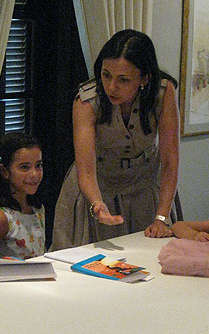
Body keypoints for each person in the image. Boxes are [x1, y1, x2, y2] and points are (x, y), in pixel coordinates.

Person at [50, 29, 180, 250]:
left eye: (123, 80)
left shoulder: (163, 93)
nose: (111, 86)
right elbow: (86, 172)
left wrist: (161, 217)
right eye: (106, 75)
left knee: (149, 260)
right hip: (97, 189)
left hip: (145, 190)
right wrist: (97, 204)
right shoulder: (87, 101)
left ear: (144, 78)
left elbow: (170, 163)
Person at [0, 132, 45, 261]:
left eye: (38, 166)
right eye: (25, 167)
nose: (34, 174)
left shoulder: (37, 209)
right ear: (4, 171)